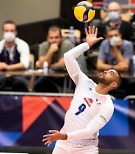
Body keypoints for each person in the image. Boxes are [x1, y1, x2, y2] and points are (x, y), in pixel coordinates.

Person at [42, 26, 121, 154]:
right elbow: (68, 57)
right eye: (107, 70)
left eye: (111, 73)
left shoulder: (107, 106)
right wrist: (87, 44)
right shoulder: (84, 82)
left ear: (113, 84)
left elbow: (89, 131)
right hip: (63, 144)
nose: (106, 70)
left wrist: (64, 136)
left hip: (86, 148)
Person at [96, 27, 135, 97]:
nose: (114, 38)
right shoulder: (104, 44)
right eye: (111, 36)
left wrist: (115, 49)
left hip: (127, 76)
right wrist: (114, 68)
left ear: (120, 35)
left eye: (116, 35)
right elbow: (99, 65)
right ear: (107, 37)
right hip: (110, 76)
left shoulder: (127, 45)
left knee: (134, 85)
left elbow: (125, 67)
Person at [34, 26, 73, 92]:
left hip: (65, 76)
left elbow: (61, 65)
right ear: (47, 38)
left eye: (56, 37)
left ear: (61, 38)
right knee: (38, 85)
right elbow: (41, 65)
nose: (54, 40)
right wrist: (50, 51)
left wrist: (47, 66)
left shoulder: (66, 44)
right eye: (51, 38)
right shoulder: (44, 45)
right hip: (49, 77)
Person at [0, 20, 30, 92]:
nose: (9, 33)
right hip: (2, 75)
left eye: (12, 31)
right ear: (3, 32)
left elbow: (24, 64)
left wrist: (7, 67)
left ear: (16, 32)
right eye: (7, 31)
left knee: (20, 83)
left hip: (19, 75)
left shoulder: (23, 45)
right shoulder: (0, 45)